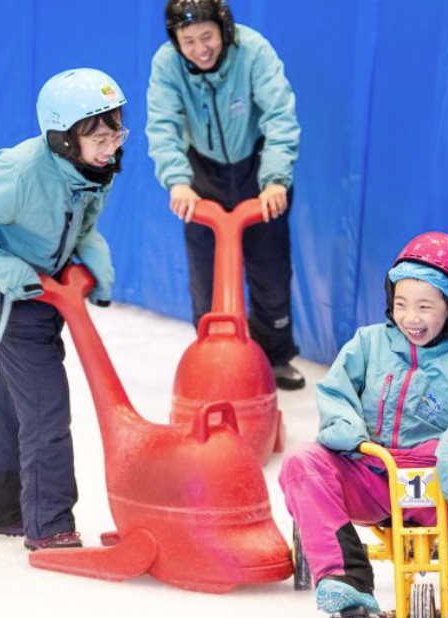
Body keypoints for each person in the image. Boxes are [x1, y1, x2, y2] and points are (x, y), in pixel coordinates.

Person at [278, 232, 448, 618]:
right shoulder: (368, 345)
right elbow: (336, 392)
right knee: (303, 464)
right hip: (371, 469)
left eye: (426, 306)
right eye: (402, 303)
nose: (411, 317)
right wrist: (350, 436)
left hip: (434, 482)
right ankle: (346, 578)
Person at [0, 68, 130, 551]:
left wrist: (97, 269)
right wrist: (9, 272)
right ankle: (49, 526)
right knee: (46, 411)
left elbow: (81, 226)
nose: (111, 146)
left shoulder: (92, 169)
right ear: (63, 139)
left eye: (117, 132)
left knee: (16, 405)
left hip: (45, 293)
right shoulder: (20, 172)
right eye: (99, 137)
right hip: (10, 300)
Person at [146, 0, 306, 390]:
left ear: (225, 30)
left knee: (270, 270)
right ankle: (211, 356)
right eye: (189, 41)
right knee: (205, 276)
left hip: (256, 169)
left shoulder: (252, 50)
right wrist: (178, 181)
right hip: (203, 174)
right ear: (176, 41)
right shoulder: (166, 64)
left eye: (208, 36)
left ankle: (275, 356)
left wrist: (274, 180)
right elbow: (162, 125)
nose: (201, 49)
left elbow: (280, 117)